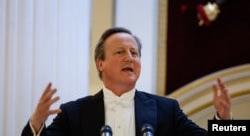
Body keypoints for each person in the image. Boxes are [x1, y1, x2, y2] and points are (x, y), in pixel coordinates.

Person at [21, 27, 232, 136]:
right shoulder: (74, 112)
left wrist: (225, 121)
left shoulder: (167, 109)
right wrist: (36, 124)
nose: (129, 57)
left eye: (134, 53)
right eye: (120, 52)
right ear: (100, 64)